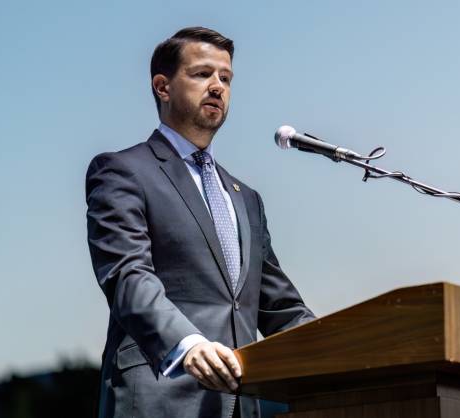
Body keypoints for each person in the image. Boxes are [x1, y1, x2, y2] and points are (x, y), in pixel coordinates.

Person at [85, 27, 315, 418]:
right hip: (159, 396)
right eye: (202, 74)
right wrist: (187, 343)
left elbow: (281, 307)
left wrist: (345, 346)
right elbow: (127, 276)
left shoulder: (247, 199)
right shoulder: (123, 171)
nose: (217, 86)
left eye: (226, 78)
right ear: (163, 87)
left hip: (241, 403)